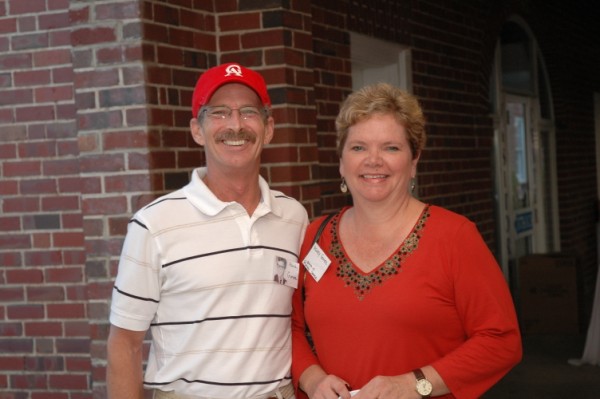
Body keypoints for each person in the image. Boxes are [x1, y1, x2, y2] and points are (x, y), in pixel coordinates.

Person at [291, 83, 522, 399]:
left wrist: (415, 384)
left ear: (414, 161)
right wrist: (312, 378)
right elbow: (289, 328)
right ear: (341, 162)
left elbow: (501, 340)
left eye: (391, 147)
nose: (374, 160)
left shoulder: (454, 236)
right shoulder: (313, 237)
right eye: (358, 147)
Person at [107, 63, 308, 399]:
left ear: (269, 128)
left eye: (248, 112)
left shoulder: (293, 217)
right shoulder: (153, 225)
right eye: (218, 113)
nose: (235, 125)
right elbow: (124, 344)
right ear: (197, 130)